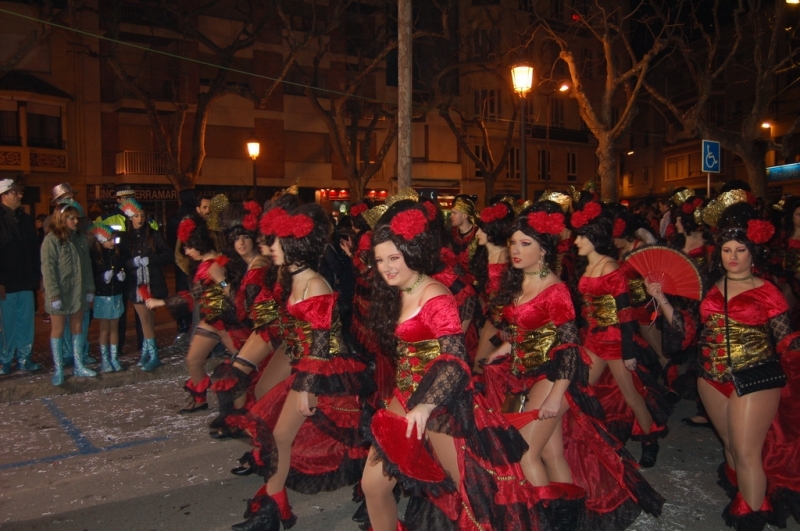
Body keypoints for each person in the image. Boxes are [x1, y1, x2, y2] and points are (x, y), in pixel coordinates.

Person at [482, 201, 665, 529]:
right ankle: (568, 520)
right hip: (522, 375)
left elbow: (568, 347)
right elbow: (524, 328)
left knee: (524, 453)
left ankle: (544, 520)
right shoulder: (519, 281)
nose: (516, 249)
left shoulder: (556, 289)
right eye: (513, 242)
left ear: (543, 250)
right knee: (552, 454)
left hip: (552, 376)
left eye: (526, 244)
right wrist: (506, 346)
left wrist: (557, 395)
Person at [362, 201, 537, 531]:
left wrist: (426, 406)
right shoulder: (396, 292)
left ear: (411, 254)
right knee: (373, 485)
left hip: (443, 403)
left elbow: (455, 361)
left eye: (394, 258)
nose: (386, 267)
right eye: (381, 259)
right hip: (404, 398)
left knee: (471, 494)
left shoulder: (434, 295)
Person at [649, 207, 800, 531]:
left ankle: (753, 517)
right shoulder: (711, 285)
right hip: (710, 378)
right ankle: (747, 496)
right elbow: (688, 329)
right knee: (730, 448)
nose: (733, 257)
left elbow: (787, 341)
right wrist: (661, 299)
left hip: (755, 378)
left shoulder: (768, 290)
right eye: (727, 250)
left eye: (741, 250)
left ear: (753, 252)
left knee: (747, 454)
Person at [227, 203, 371, 531]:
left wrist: (305, 387)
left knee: (284, 435)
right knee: (321, 437)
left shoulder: (314, 284)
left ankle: (276, 510)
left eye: (276, 241)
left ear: (295, 244)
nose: (270, 247)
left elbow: (320, 345)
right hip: (307, 365)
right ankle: (276, 503)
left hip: (324, 371)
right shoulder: (294, 279)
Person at [571, 201, 671, 468]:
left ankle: (650, 440)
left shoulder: (611, 267)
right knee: (581, 389)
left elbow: (625, 313)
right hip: (593, 338)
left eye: (581, 236)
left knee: (632, 395)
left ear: (594, 238)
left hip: (614, 340)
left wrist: (628, 352)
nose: (576, 240)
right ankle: (592, 441)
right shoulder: (587, 266)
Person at [41, 200, 96, 385]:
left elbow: (87, 267)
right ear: (61, 219)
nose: (75, 221)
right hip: (61, 293)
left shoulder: (79, 239)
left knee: (78, 328)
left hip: (77, 292)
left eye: (76, 218)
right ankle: (59, 369)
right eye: (70, 218)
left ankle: (78, 364)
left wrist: (89, 289)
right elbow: (48, 269)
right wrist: (54, 294)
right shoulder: (51, 240)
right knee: (57, 330)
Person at [121, 198, 171, 372]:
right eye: (136, 216)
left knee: (148, 321)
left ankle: (151, 353)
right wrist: (131, 263)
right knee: (145, 321)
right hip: (135, 286)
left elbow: (167, 255)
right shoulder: (126, 238)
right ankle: (149, 352)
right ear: (130, 218)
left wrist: (149, 259)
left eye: (142, 215)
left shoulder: (153, 234)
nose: (140, 219)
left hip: (153, 284)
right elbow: (122, 261)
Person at [0, 179, 41, 374]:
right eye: (15, 192)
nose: (20, 196)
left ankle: (24, 358)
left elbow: (34, 250)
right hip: (6, 284)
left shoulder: (25, 220)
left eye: (19, 192)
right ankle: (5, 360)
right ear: (4, 196)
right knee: (6, 323)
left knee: (25, 321)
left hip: (26, 281)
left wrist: (37, 276)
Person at [470, 199, 514, 368]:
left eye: (481, 229)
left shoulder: (505, 256)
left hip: (504, 321)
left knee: (488, 365)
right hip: (491, 318)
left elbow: (510, 293)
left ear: (491, 231)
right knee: (481, 365)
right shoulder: (486, 256)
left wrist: (506, 325)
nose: (477, 233)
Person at [88, 222, 127, 372]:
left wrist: (122, 277)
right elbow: (93, 274)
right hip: (103, 296)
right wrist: (103, 277)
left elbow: (122, 269)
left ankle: (114, 357)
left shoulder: (117, 255)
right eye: (109, 239)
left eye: (113, 239)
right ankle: (105, 359)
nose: (113, 242)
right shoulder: (97, 257)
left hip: (115, 295)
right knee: (104, 329)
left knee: (114, 328)